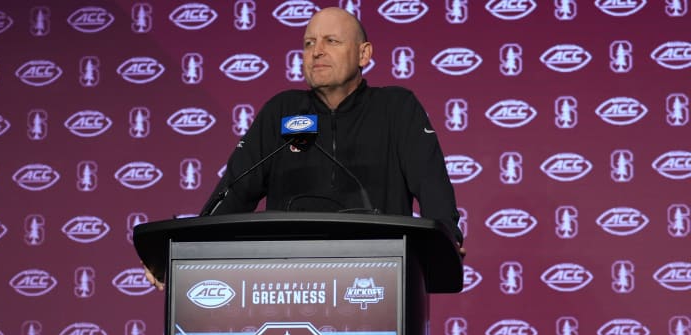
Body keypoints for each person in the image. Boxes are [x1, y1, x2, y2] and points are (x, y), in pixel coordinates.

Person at [145, 7, 465, 290]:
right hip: (288, 284)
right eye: (309, 43)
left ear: (364, 54)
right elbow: (235, 192)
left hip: (377, 281)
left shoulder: (396, 107)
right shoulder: (282, 111)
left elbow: (430, 181)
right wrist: (188, 255)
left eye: (331, 41)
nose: (316, 52)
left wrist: (447, 240)